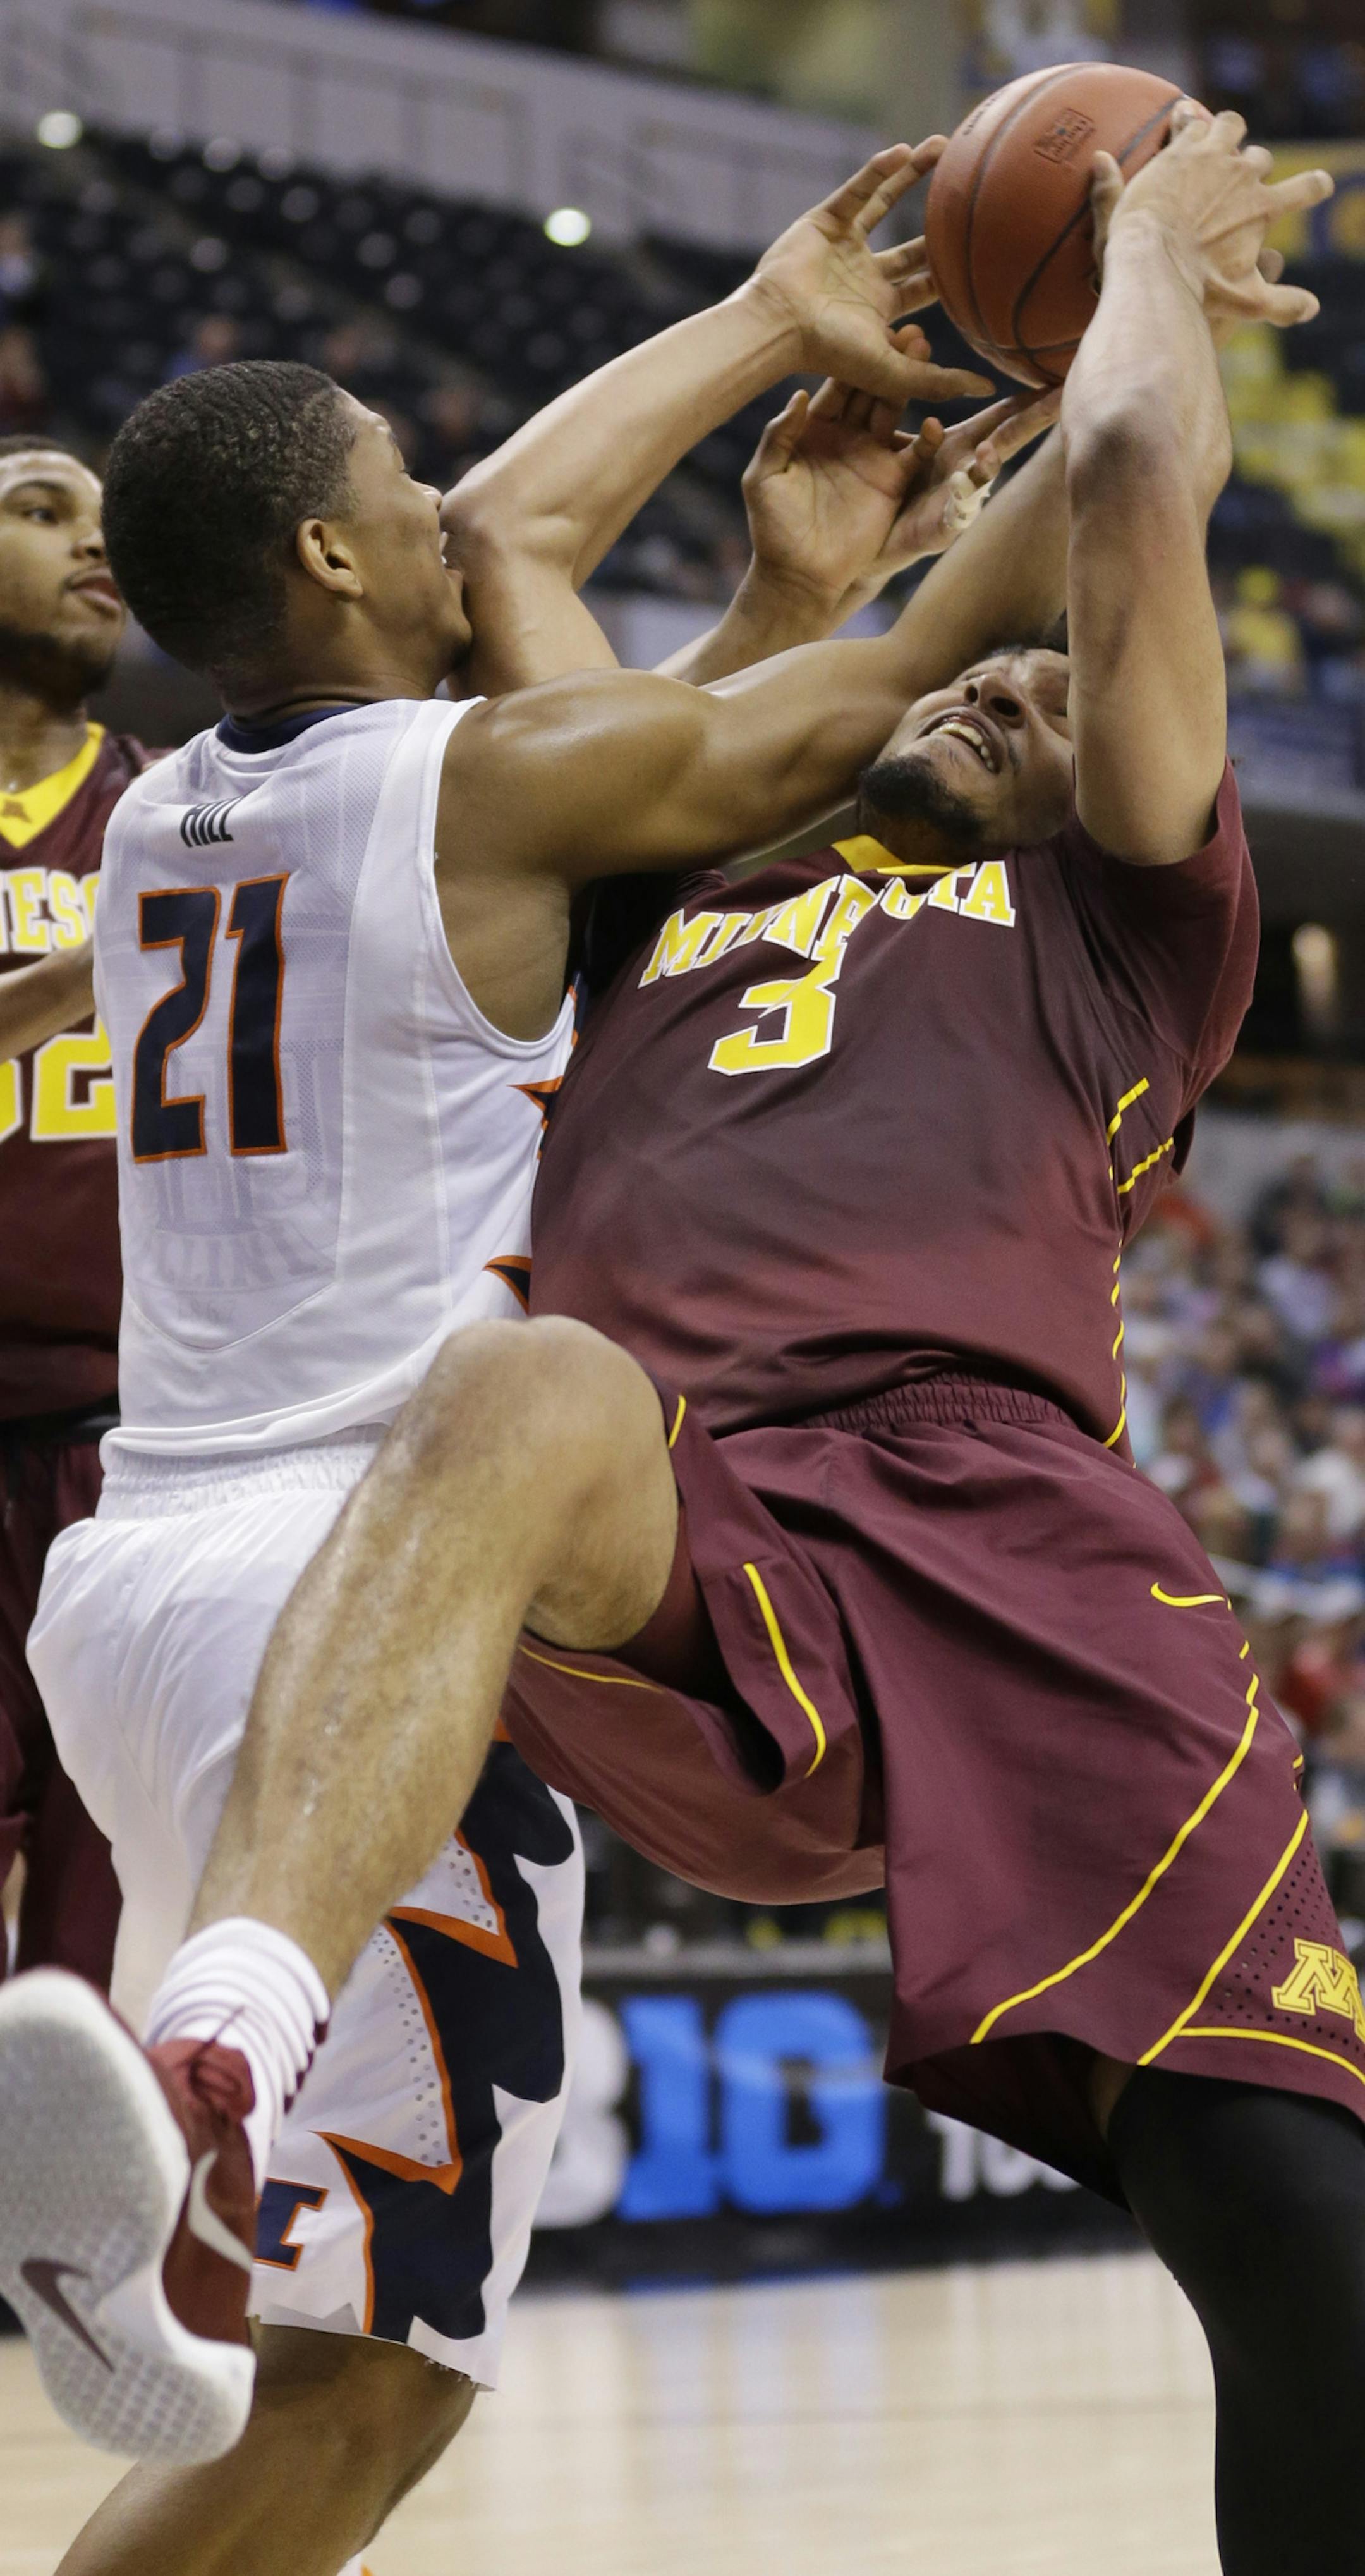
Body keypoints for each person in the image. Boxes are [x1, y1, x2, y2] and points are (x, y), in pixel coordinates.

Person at [21, 110, 1349, 2573]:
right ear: (333, 553)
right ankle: (216, 2069)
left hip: (317, 1561)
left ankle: (211, 2080)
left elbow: (600, 582)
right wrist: (870, 542)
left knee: (355, 2401)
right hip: (502, 1549)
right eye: (396, 488)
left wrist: (889, 424)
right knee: (346, 2389)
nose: (451, 506)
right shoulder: (589, 839)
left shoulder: (189, 818)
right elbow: (565, 604)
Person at [0, 435, 150, 1999]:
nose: (89, 544)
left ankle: (72, 2257)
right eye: (42, 512)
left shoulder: (185, 815)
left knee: (103, 1971)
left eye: (106, 524)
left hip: (136, 1452)